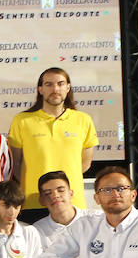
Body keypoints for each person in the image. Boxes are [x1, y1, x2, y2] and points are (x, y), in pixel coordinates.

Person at [7, 67, 97, 211]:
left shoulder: (83, 120)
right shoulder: (22, 120)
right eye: (49, 84)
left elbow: (85, 164)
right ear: (40, 89)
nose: (55, 89)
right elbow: (15, 165)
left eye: (60, 84)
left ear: (68, 88)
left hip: (72, 202)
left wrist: (62, 188)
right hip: (34, 201)